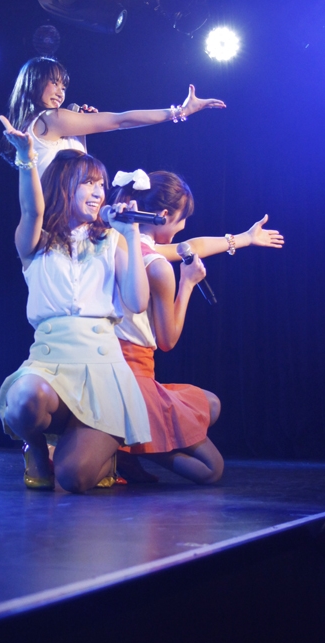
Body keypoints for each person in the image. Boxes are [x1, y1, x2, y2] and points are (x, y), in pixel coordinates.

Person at [0, 119, 152, 494]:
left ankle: (96, 454)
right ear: (64, 185)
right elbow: (32, 210)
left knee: (72, 479)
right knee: (24, 399)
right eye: (88, 183)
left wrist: (131, 234)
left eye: (101, 185)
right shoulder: (37, 241)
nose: (98, 192)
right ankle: (35, 447)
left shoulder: (112, 239)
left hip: (101, 367)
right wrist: (26, 159)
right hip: (50, 363)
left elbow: (137, 301)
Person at [109, 169, 284, 483]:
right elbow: (168, 340)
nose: (183, 228)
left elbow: (191, 245)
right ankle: (131, 447)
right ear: (164, 215)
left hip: (108, 370)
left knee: (210, 405)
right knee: (211, 469)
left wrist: (245, 238)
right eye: (182, 219)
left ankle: (128, 447)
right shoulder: (157, 266)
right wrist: (187, 284)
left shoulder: (119, 242)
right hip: (132, 375)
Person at [2, 57, 226, 176]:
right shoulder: (51, 118)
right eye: (54, 83)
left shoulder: (37, 123)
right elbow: (121, 120)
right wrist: (179, 111)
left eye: (64, 86)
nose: (61, 92)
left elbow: (81, 170)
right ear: (33, 82)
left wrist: (81, 131)